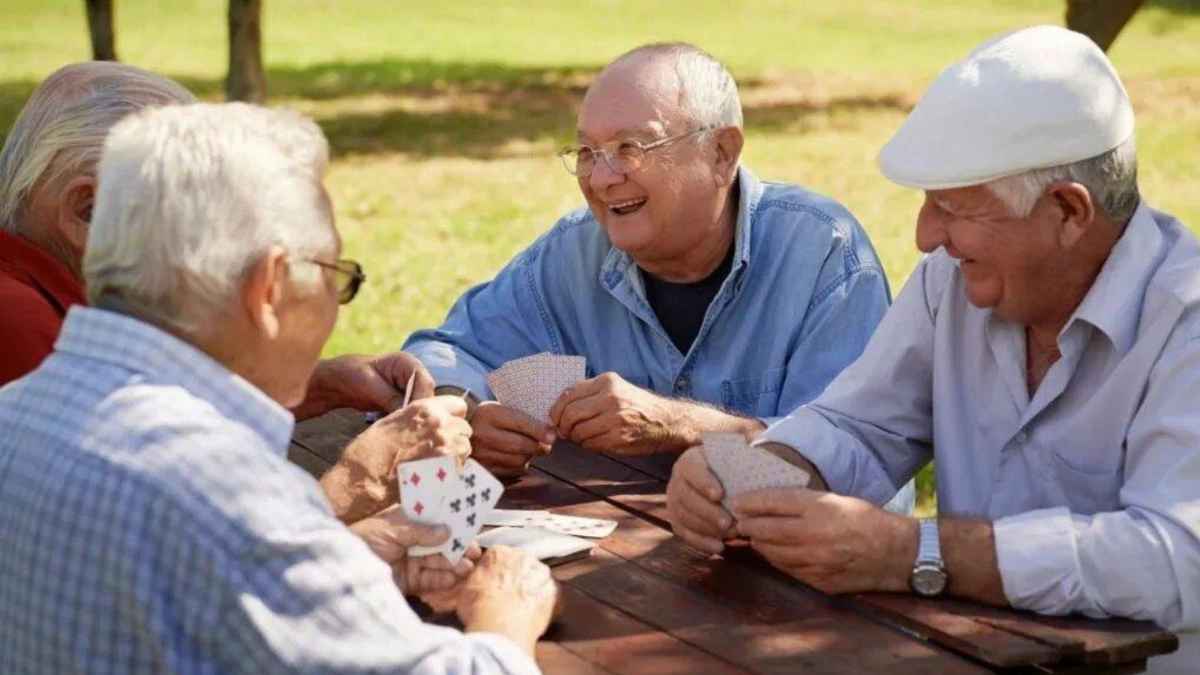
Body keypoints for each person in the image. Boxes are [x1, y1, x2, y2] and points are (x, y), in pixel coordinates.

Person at [665, 26, 1198, 674]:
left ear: (1068, 211)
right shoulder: (954, 281)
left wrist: (916, 552)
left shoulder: (1185, 319)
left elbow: (1178, 558)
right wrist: (753, 470)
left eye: (951, 206)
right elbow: (859, 424)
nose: (923, 236)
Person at [0, 103, 555, 673]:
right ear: (269, 287)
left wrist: (354, 556)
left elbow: (187, 592)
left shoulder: (17, 410)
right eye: (336, 278)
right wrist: (506, 614)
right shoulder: (224, 485)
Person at [404, 42, 912, 511]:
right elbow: (443, 353)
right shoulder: (575, 252)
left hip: (789, 589)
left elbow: (851, 474)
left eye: (631, 148)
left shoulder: (822, 253)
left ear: (722, 154)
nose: (602, 179)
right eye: (586, 153)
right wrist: (469, 412)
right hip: (622, 573)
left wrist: (679, 426)